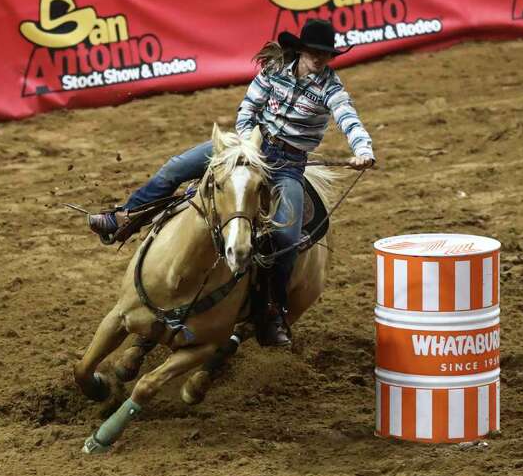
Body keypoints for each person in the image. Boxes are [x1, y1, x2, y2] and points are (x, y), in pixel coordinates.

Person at [88, 18, 375, 347]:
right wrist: (246, 146)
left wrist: (362, 149)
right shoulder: (274, 70)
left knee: (286, 236)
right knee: (175, 169)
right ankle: (124, 218)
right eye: (315, 52)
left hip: (287, 167)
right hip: (248, 146)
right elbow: (249, 107)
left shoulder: (332, 89)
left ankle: (272, 311)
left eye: (327, 54)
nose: (321, 58)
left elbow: (348, 118)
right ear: (302, 50)